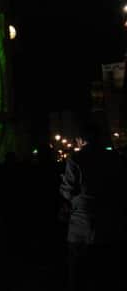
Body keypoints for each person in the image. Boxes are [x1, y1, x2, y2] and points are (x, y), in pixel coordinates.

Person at [59, 114, 127, 291]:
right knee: (105, 273)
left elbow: (68, 190)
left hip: (82, 224)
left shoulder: (76, 159)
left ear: (81, 139)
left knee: (78, 272)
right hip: (110, 221)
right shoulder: (114, 158)